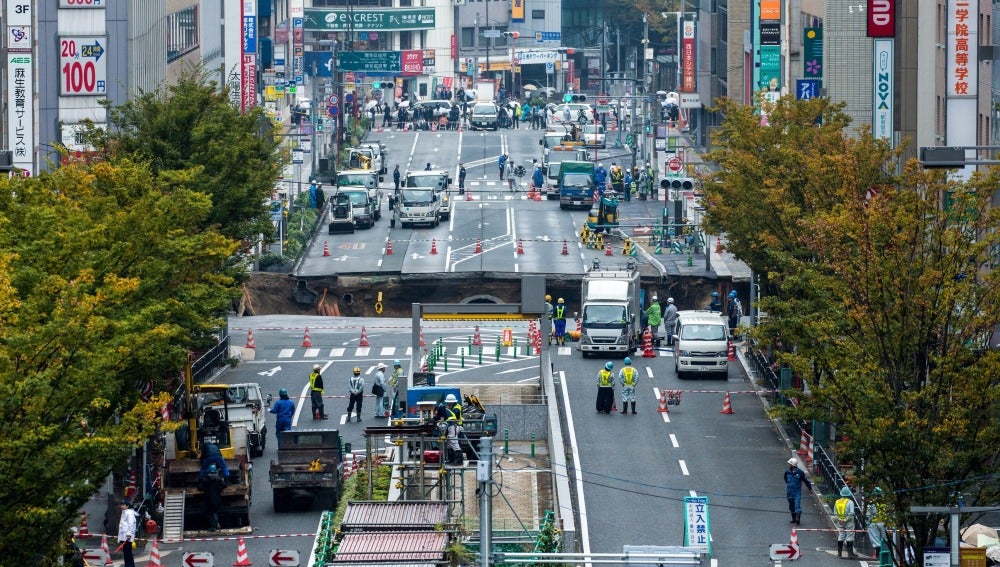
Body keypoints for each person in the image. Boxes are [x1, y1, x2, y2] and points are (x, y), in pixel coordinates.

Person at [784, 457, 813, 525]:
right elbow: (785, 479)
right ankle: (793, 519)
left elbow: (806, 481)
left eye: (789, 464)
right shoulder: (787, 472)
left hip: (797, 492)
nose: (788, 465)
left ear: (793, 465)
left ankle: (798, 519)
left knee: (797, 506)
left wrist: (810, 488)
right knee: (791, 506)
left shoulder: (800, 473)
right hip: (789, 492)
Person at [835, 486, 859, 558]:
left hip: (840, 522)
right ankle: (850, 553)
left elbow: (835, 513)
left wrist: (840, 519)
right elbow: (851, 513)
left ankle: (839, 553)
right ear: (848, 494)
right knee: (850, 536)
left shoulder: (837, 502)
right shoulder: (850, 502)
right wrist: (845, 520)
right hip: (849, 522)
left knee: (841, 535)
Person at [201, 464, 226, 530]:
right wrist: (220, 489)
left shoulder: (205, 480)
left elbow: (200, 487)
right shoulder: (218, 479)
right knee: (214, 512)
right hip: (217, 500)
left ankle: (213, 527)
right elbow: (224, 485)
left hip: (209, 500)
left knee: (211, 513)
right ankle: (217, 524)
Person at [866, 487, 889, 558]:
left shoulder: (872, 503)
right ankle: (886, 555)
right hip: (883, 523)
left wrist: (867, 523)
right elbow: (888, 513)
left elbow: (868, 515)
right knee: (885, 539)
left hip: (874, 523)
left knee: (875, 540)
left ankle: (877, 555)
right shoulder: (885, 502)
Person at [117, 500, 137, 567]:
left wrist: (129, 534)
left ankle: (130, 565)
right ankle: (128, 565)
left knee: (128, 552)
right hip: (124, 536)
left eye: (123, 505)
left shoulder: (129, 513)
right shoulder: (124, 512)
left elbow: (130, 524)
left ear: (127, 506)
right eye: (121, 504)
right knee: (126, 552)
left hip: (127, 536)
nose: (121, 506)